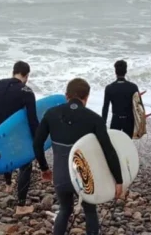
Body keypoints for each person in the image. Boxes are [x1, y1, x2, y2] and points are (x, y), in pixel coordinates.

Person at [33, 78, 123, 235]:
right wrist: (119, 180)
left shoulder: (51, 114)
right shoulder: (95, 119)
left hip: (61, 176)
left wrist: (44, 168)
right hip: (83, 176)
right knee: (90, 211)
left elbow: (36, 144)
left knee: (65, 209)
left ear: (66, 95)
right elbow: (108, 151)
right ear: (86, 97)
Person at [0, 60, 38, 215]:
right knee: (26, 165)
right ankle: (21, 206)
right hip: (17, 134)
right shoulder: (26, 91)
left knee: (7, 158)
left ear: (13, 71)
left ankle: (8, 184)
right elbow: (33, 120)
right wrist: (36, 142)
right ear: (26, 75)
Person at [101, 60, 143, 137]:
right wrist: (141, 123)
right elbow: (140, 107)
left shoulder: (109, 88)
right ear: (126, 71)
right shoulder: (133, 87)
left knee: (115, 144)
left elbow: (105, 108)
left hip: (116, 120)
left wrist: (103, 124)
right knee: (127, 142)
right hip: (129, 120)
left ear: (115, 72)